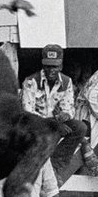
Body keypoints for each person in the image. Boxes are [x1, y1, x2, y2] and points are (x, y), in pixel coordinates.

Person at [21, 43, 87, 186]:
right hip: (35, 125)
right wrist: (53, 123)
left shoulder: (67, 82)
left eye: (55, 66)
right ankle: (43, 168)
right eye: (48, 66)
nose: (51, 70)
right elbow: (28, 113)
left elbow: (69, 108)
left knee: (80, 127)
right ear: (43, 65)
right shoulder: (31, 81)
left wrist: (65, 115)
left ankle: (55, 165)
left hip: (55, 123)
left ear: (61, 66)